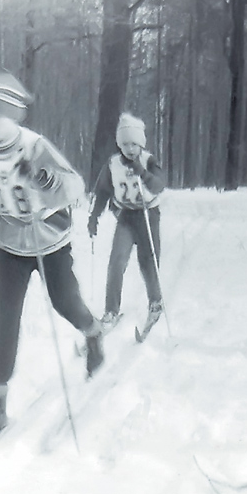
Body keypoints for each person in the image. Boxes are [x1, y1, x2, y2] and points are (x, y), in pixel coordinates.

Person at [0, 71, 105, 441]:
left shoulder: (34, 145)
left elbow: (74, 185)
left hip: (49, 240)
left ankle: (92, 333)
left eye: (0, 113)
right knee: (5, 321)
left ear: (15, 116)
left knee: (65, 302)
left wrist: (42, 178)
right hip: (11, 243)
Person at [87, 113, 166, 335]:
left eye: (134, 144)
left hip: (148, 215)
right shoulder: (112, 164)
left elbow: (160, 185)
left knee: (148, 261)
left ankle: (155, 301)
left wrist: (143, 173)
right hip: (126, 216)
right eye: (125, 144)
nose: (130, 149)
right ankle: (111, 310)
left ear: (141, 143)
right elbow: (102, 191)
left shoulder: (148, 160)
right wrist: (94, 217)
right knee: (116, 262)